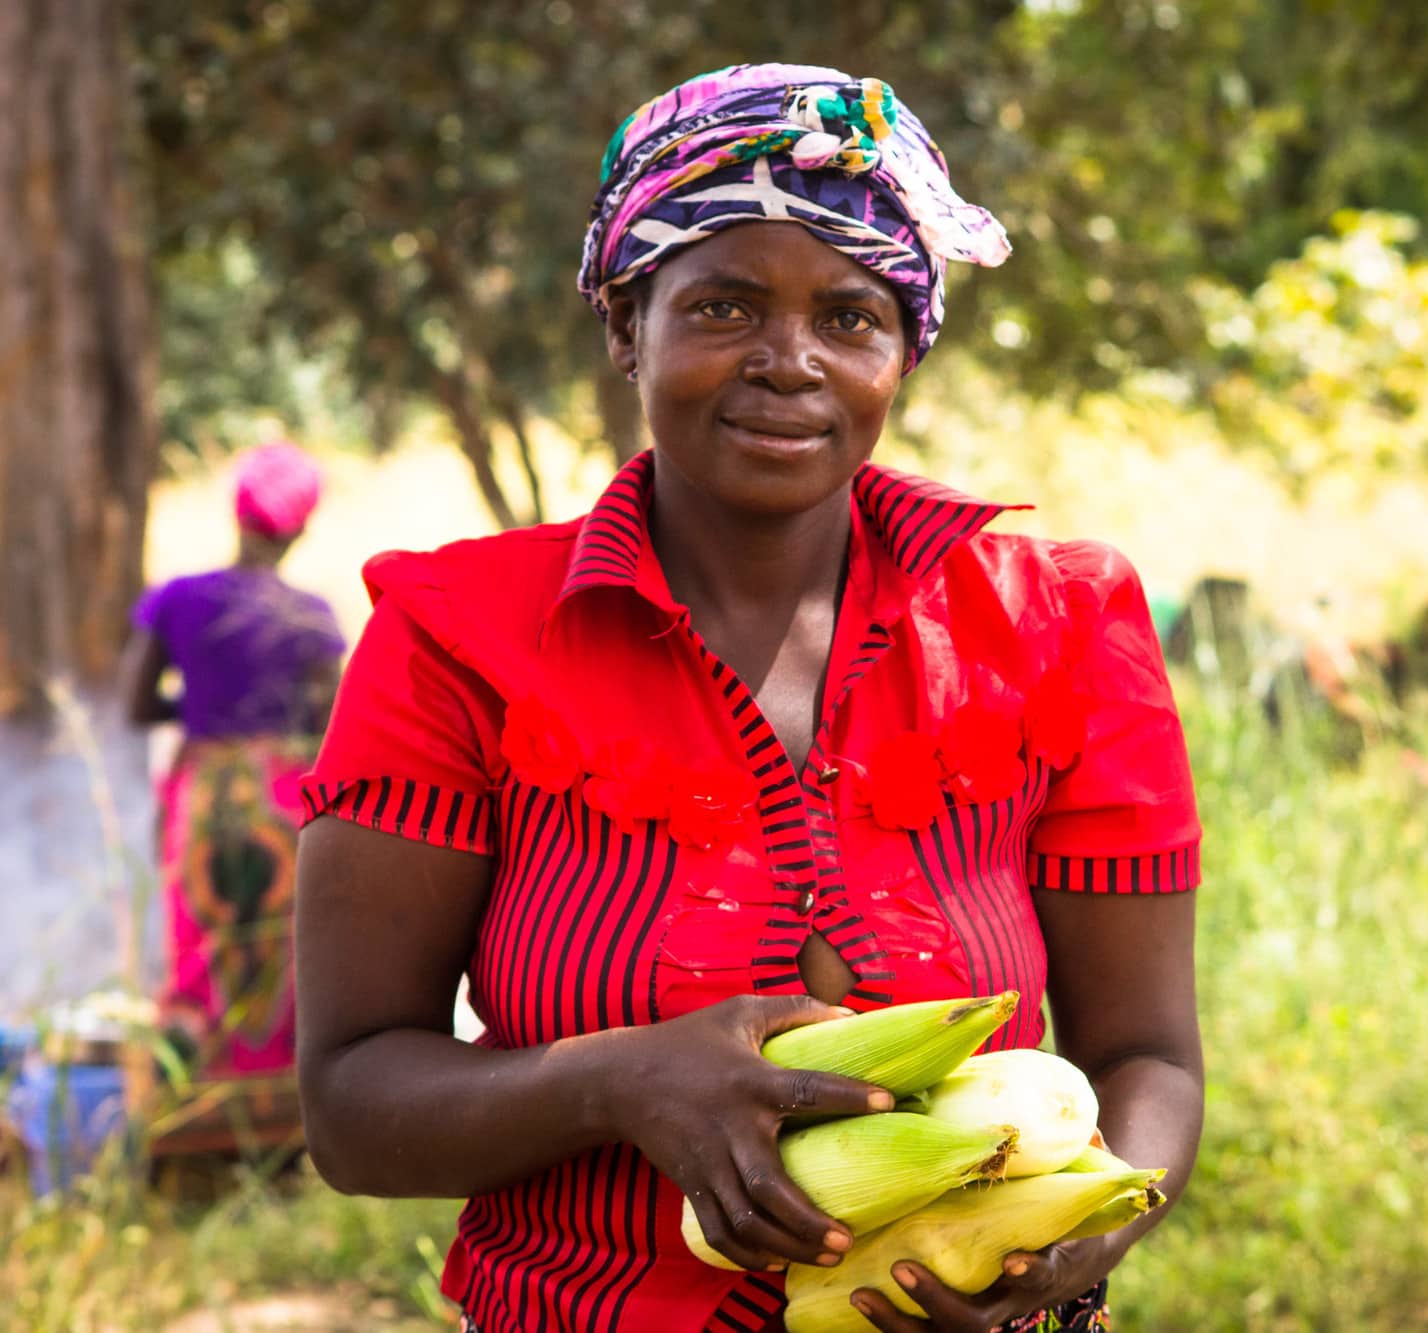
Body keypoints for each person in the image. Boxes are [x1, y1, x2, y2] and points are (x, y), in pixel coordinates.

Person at [293, 65, 1203, 1333]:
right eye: (722, 304)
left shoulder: (1051, 621)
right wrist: (614, 1081)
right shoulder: (460, 640)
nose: (789, 363)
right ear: (627, 324)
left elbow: (1147, 1055)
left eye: (849, 318)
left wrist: (1080, 1232)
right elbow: (350, 1106)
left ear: (903, 351)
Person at [123, 441, 345, 1078]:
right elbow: (331, 727)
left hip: (201, 794)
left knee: (198, 953)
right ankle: (280, 1112)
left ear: (237, 512)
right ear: (301, 524)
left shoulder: (176, 600)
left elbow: (136, 707)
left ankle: (189, 1107)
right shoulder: (310, 617)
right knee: (283, 953)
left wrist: (198, 712)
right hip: (284, 799)